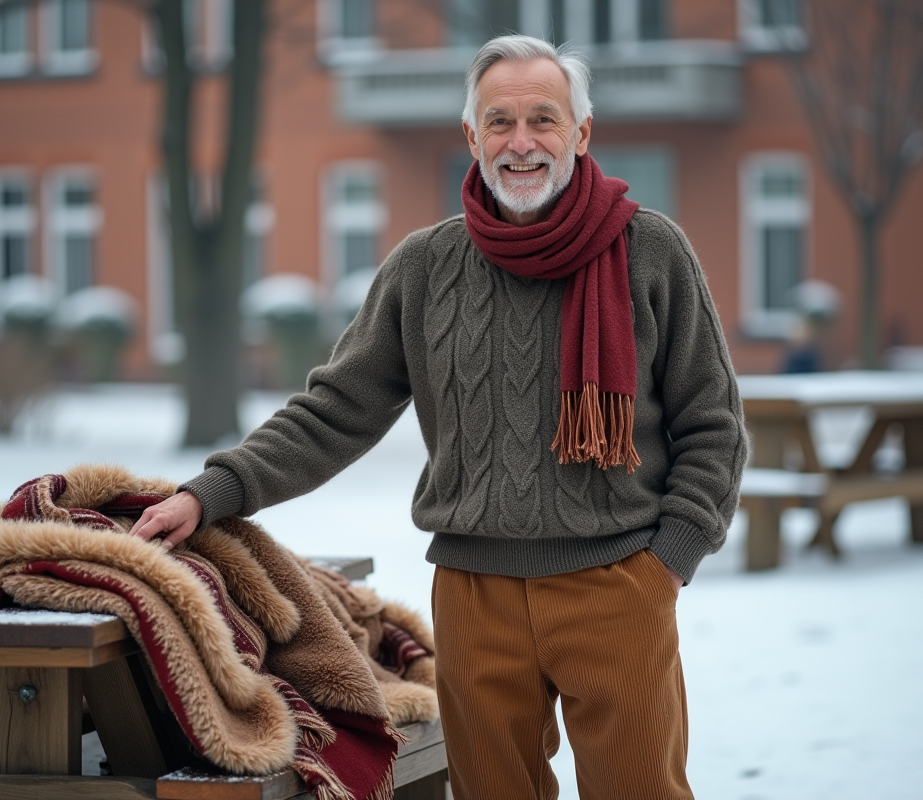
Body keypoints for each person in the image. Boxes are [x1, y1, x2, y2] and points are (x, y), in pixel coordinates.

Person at [131, 34, 747, 800]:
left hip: (617, 585)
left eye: (543, 120)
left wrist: (666, 566)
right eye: (499, 122)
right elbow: (333, 412)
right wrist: (208, 493)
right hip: (473, 594)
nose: (520, 143)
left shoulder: (651, 252)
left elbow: (712, 425)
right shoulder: (424, 267)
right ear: (471, 137)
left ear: (581, 134)